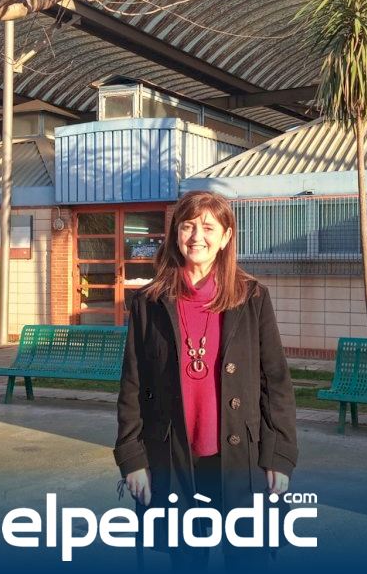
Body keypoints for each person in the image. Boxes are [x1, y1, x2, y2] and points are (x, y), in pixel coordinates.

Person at [114, 190, 298, 570]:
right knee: (186, 560)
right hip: (174, 459)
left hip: (241, 459)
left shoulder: (252, 298)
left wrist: (279, 457)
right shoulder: (149, 303)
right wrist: (132, 459)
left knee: (247, 558)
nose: (197, 236)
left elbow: (276, 383)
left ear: (226, 237)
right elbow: (132, 386)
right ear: (175, 234)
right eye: (188, 226)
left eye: (209, 227)